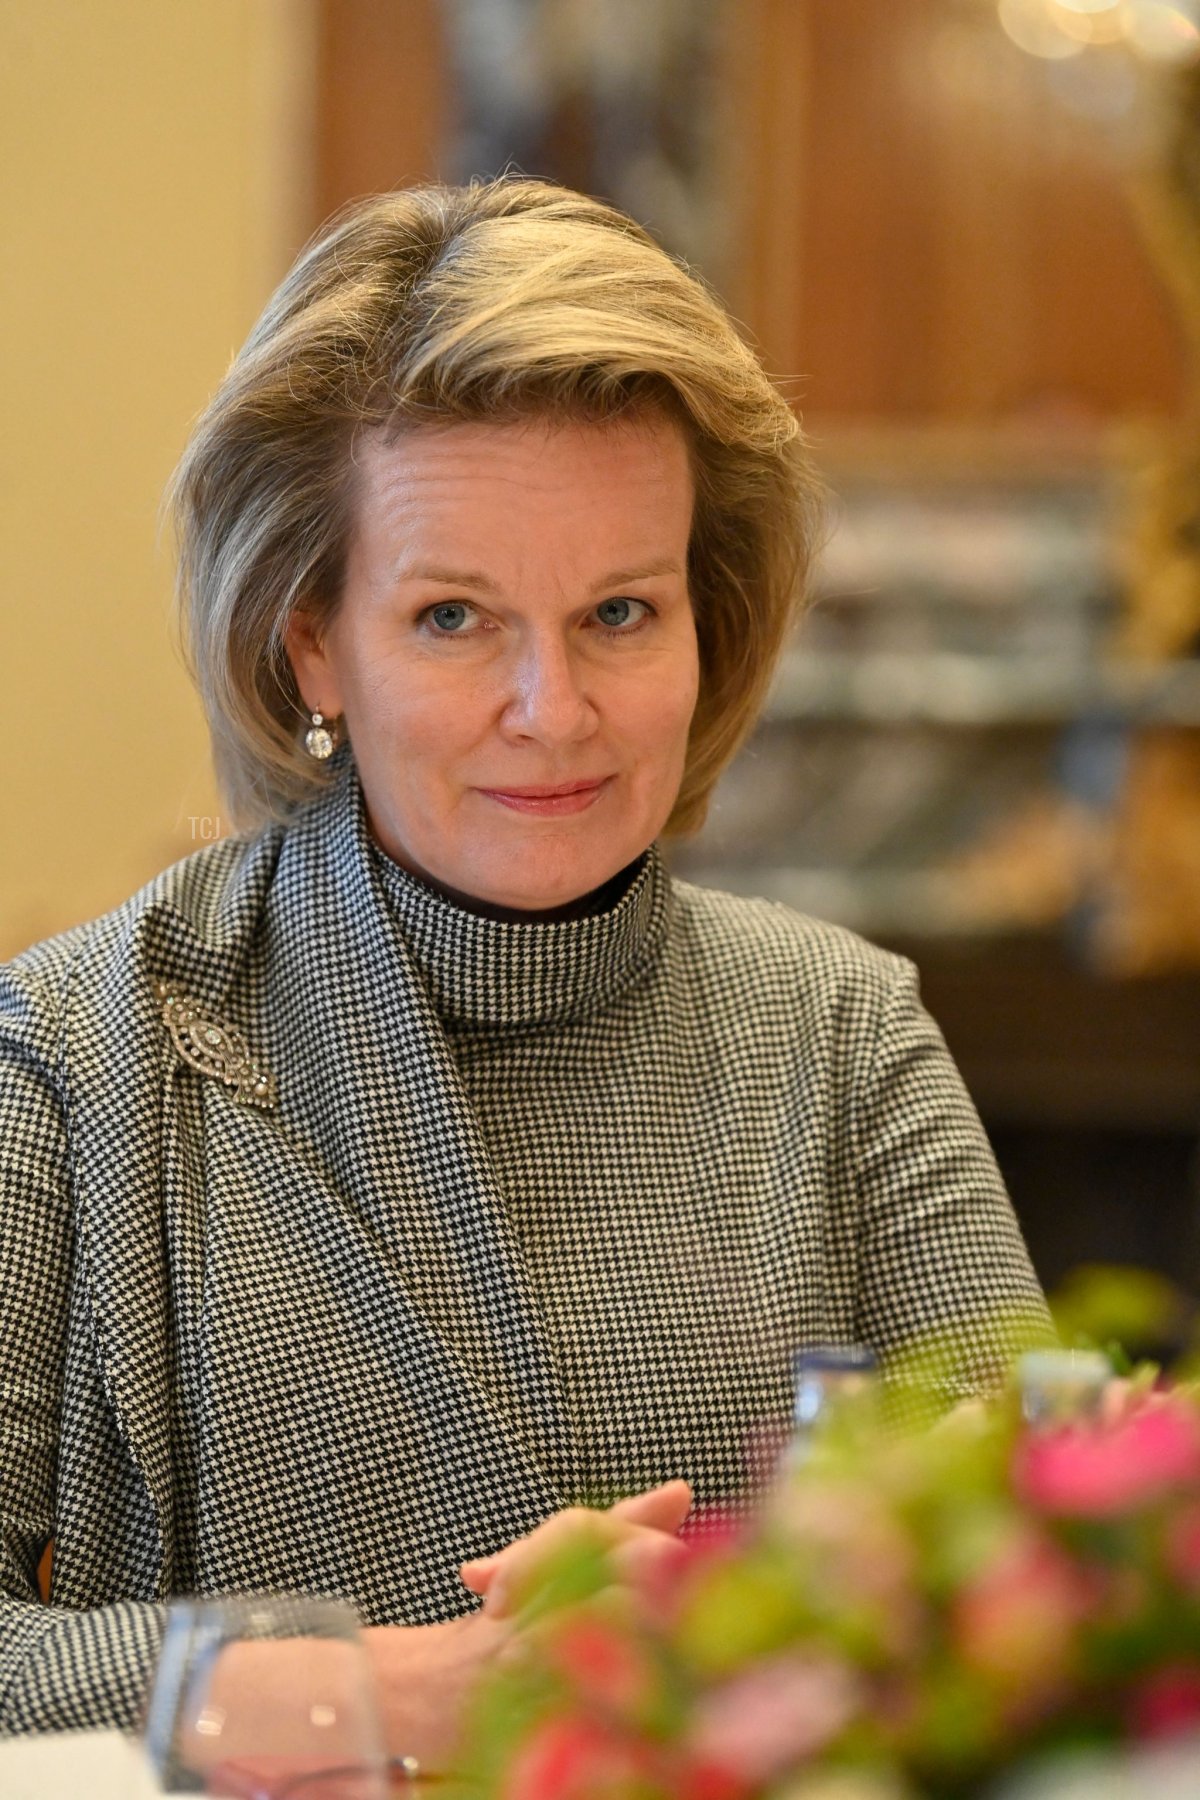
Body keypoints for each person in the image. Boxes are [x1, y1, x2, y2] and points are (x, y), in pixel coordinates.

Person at [0, 176, 1050, 1758]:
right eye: (454, 619)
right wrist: (388, 1690)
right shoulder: (76, 1051)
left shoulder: (846, 1030)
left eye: (620, 610)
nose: (554, 708)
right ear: (311, 642)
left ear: (710, 621)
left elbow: (1059, 1562)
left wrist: (699, 1616)